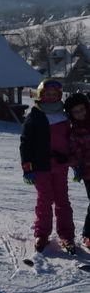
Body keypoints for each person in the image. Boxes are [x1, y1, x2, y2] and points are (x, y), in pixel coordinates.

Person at [20, 79, 76, 254]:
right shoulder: (35, 115)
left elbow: (72, 141)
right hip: (41, 166)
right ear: (41, 95)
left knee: (62, 200)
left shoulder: (65, 115)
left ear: (59, 96)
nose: (51, 97)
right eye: (47, 94)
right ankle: (42, 234)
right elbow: (25, 143)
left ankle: (66, 235)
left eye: (54, 94)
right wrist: (27, 168)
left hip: (60, 165)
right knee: (44, 200)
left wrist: (75, 163)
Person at [63, 92, 90, 249]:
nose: (80, 113)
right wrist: (77, 166)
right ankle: (88, 234)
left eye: (82, 109)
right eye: (76, 111)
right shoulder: (74, 131)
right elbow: (71, 154)